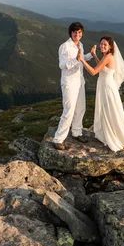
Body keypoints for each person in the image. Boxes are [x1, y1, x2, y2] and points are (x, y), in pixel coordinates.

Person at [77, 36, 124, 152]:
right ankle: (111, 133)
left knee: (108, 110)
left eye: (105, 45)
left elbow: (94, 71)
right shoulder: (107, 56)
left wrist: (81, 60)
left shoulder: (108, 57)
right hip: (106, 86)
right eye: (101, 44)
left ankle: (112, 136)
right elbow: (102, 67)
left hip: (107, 87)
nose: (102, 46)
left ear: (110, 47)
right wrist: (94, 55)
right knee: (108, 110)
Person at [53, 22, 94, 150]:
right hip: (69, 82)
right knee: (69, 110)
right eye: (75, 32)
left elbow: (81, 60)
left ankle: (77, 132)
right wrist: (76, 59)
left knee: (81, 108)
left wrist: (91, 54)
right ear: (70, 33)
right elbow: (62, 65)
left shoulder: (80, 45)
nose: (77, 35)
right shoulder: (65, 47)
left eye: (80, 32)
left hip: (80, 82)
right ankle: (58, 139)